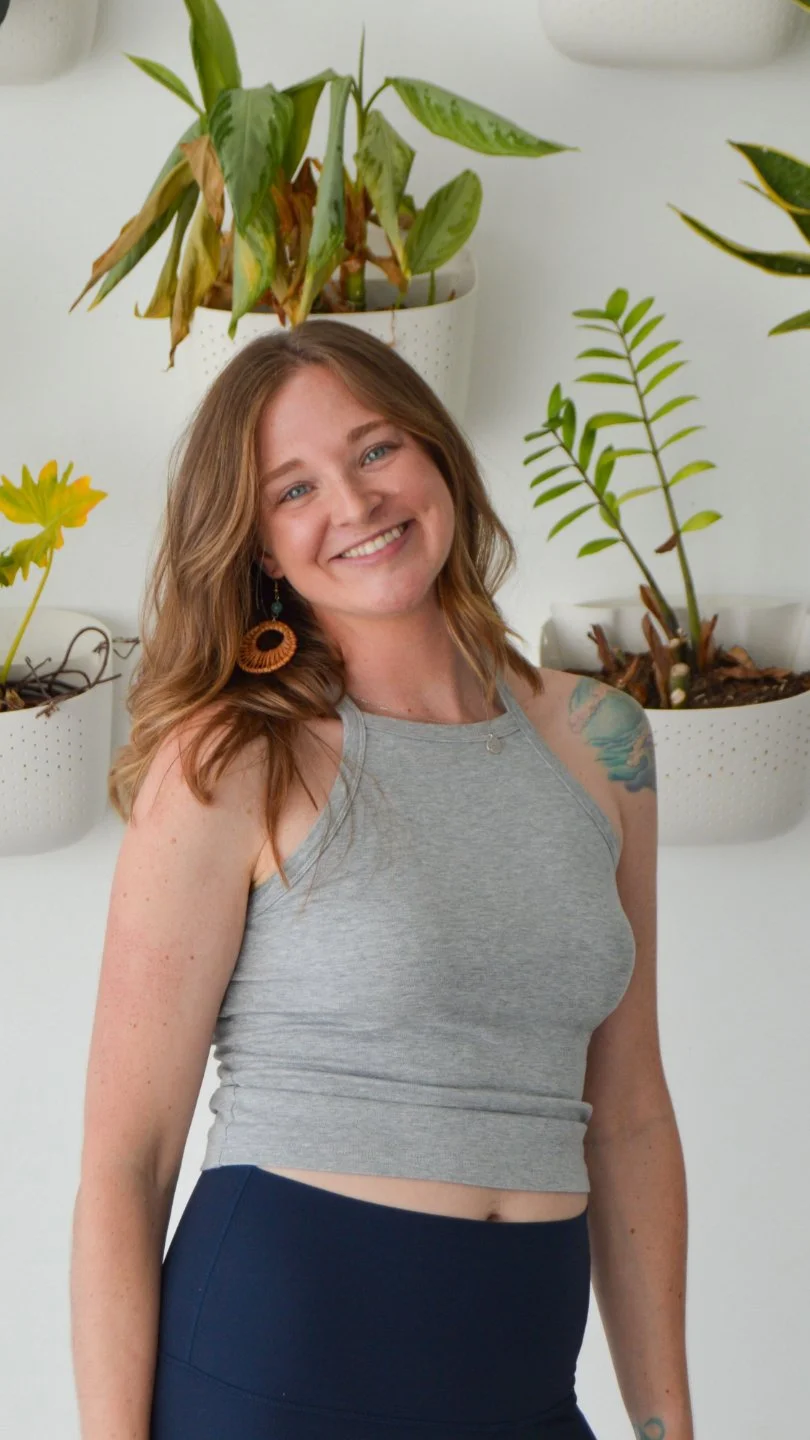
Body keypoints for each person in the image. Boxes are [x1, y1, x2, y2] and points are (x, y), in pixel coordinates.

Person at [70, 321, 690, 1440]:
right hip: (280, 1372)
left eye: (374, 450)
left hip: (522, 1381)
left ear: (436, 455)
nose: (354, 506)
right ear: (258, 544)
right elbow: (128, 1159)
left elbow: (632, 1114)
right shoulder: (232, 757)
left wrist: (669, 1424)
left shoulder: (604, 741)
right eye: (292, 487)